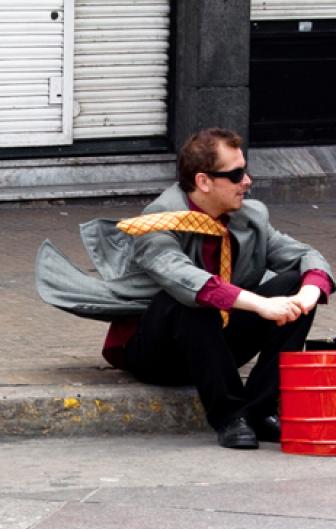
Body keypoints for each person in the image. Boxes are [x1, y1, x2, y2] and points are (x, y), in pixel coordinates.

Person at [35, 127, 334, 449]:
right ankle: (230, 416)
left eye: (246, 171)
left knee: (294, 283)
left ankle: (260, 411)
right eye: (235, 175)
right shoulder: (157, 221)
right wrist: (261, 305)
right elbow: (185, 280)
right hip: (159, 352)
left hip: (219, 343)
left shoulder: (249, 217)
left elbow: (305, 256)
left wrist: (308, 293)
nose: (247, 181)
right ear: (204, 181)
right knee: (188, 302)